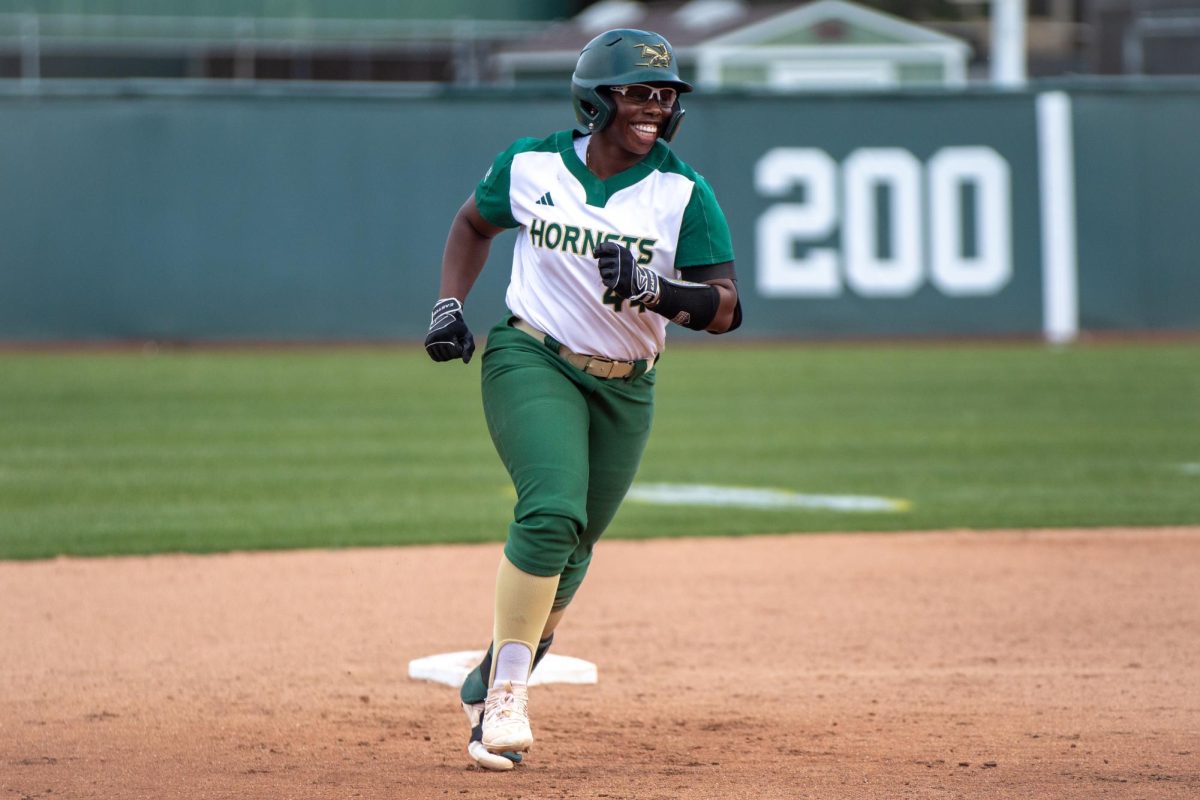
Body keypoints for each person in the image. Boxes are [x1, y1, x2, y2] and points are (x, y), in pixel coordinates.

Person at [423, 27, 742, 771]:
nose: (654, 108)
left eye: (663, 95)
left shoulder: (682, 192)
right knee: (551, 512)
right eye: (637, 92)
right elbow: (474, 222)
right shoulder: (533, 166)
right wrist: (448, 306)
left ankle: (491, 669)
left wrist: (656, 290)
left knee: (575, 547)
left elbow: (726, 308)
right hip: (531, 355)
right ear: (595, 98)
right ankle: (504, 695)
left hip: (627, 387)